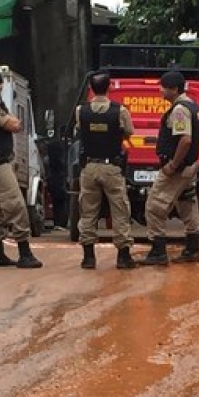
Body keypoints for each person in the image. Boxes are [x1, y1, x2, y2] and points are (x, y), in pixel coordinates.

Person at [0, 67, 42, 268]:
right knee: (16, 204)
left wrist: (12, 121)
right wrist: (12, 121)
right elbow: (13, 125)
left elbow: (12, 122)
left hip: (0, 162)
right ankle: (24, 252)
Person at [74, 70, 137, 270]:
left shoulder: (80, 111)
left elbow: (79, 130)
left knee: (88, 211)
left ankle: (88, 257)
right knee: (120, 210)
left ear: (91, 88)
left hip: (89, 167)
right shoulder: (120, 111)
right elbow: (129, 131)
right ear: (109, 87)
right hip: (111, 168)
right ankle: (123, 257)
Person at [140, 70, 199, 265]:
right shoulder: (193, 105)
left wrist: (172, 165)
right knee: (186, 203)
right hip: (190, 166)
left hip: (177, 169)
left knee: (153, 207)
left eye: (164, 87)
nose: (161, 91)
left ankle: (158, 251)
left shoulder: (179, 110)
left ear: (174, 89)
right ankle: (193, 248)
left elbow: (185, 140)